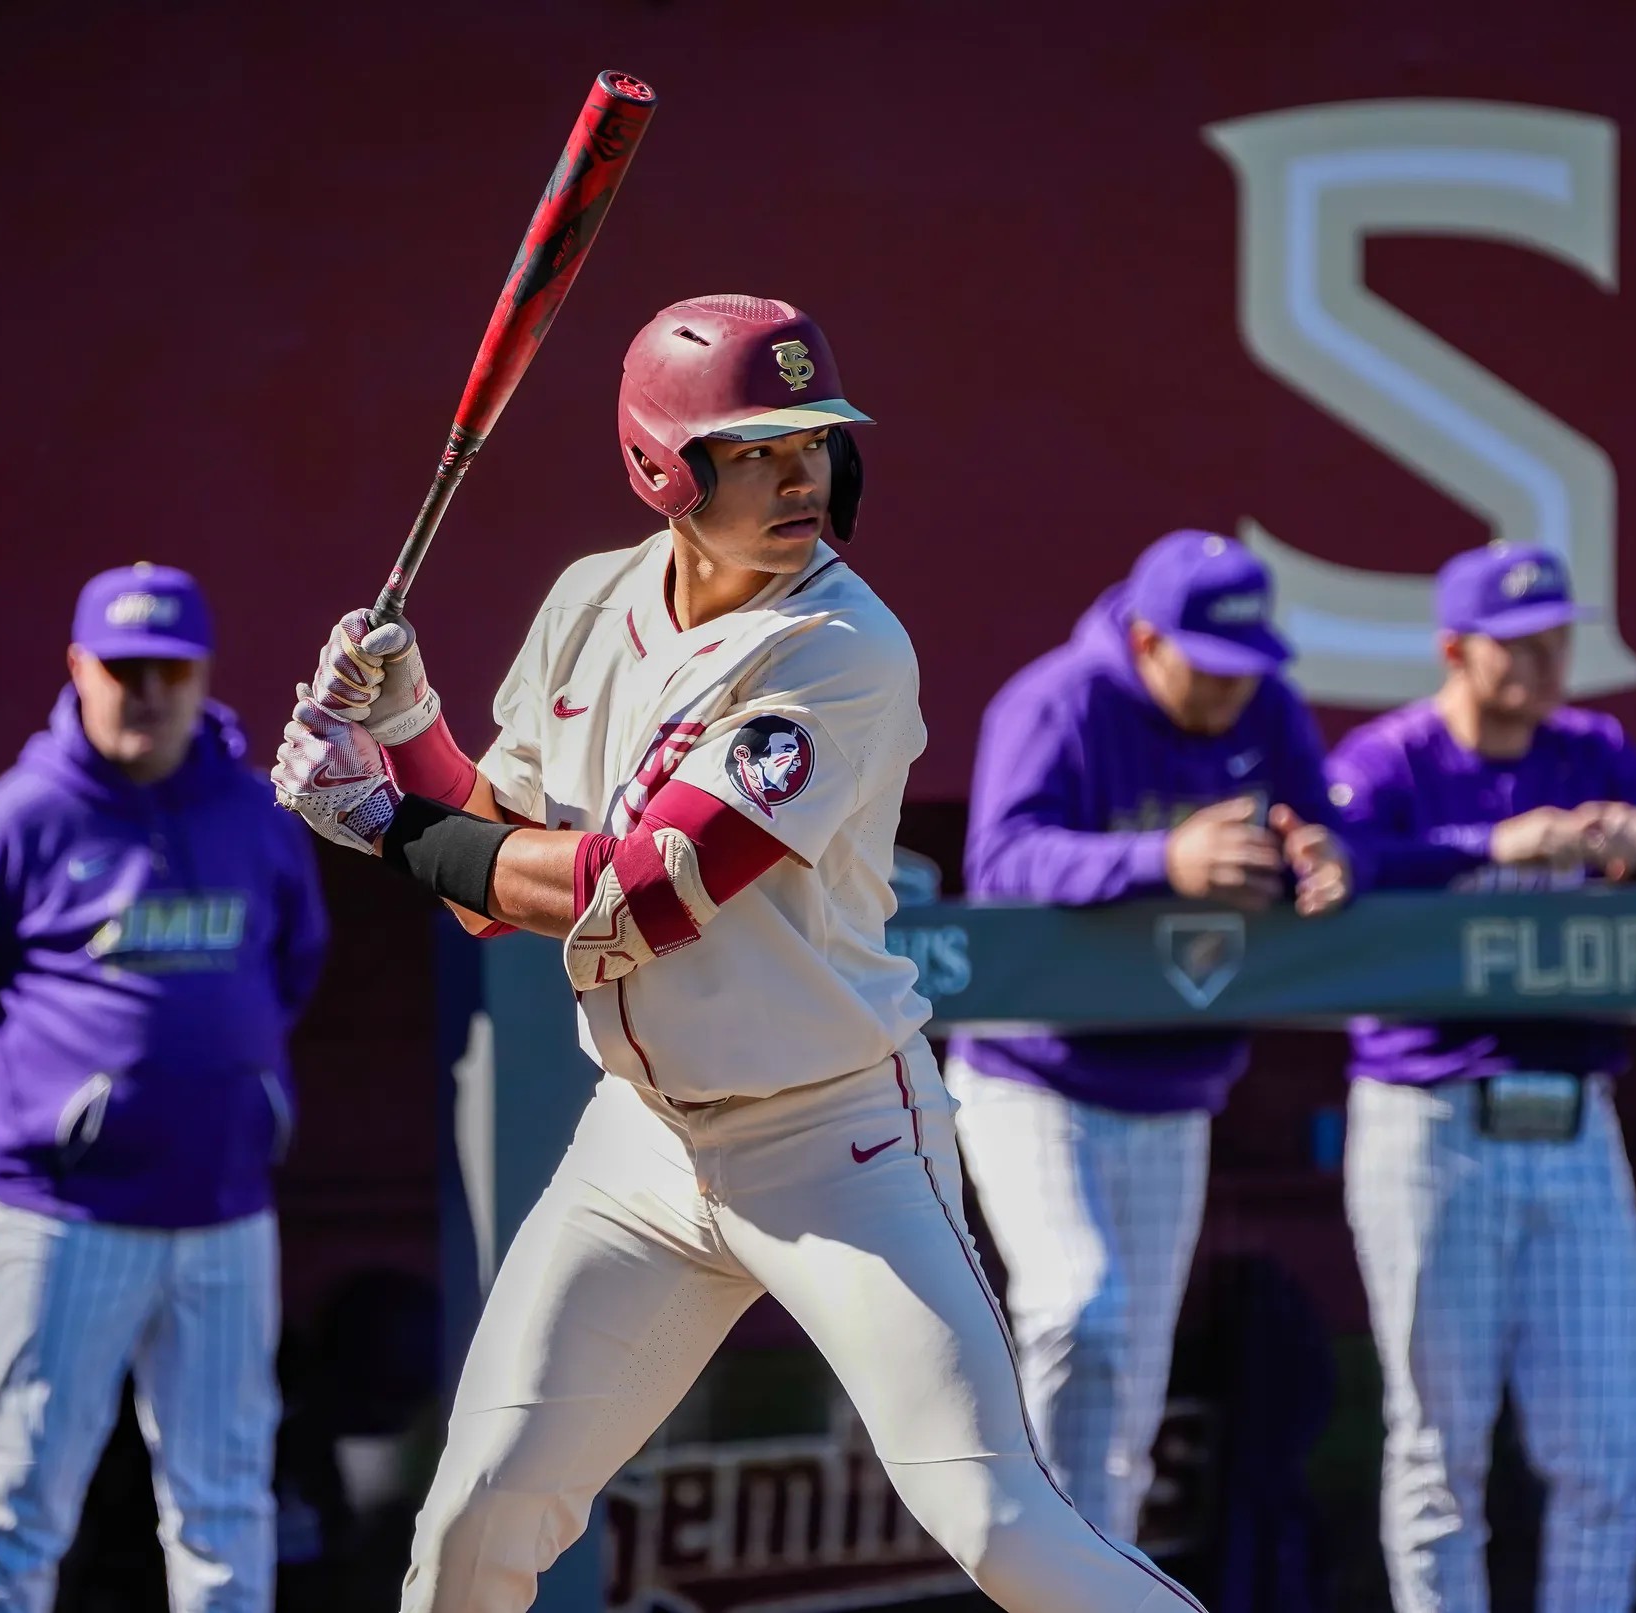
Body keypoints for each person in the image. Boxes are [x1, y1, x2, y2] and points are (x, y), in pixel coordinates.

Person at [272, 294, 1206, 1613]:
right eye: (757, 447)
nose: (800, 472)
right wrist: (412, 726)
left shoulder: (846, 648)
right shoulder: (589, 601)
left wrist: (384, 820)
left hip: (835, 1140)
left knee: (998, 1523)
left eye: (814, 440)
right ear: (664, 467)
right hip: (643, 1144)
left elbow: (647, 894)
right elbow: (498, 878)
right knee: (473, 1525)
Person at [0, 563, 328, 1613]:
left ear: (202, 674)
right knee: (18, 1499)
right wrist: (49, 1118)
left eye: (169, 669)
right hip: (65, 1217)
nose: (148, 692)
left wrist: (230, 1091)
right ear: (78, 669)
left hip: (225, 1210)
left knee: (225, 1498)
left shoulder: (253, 813)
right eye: (124, 669)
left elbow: (294, 961)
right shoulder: (6, 825)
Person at [1324, 543, 1636, 1613]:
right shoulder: (1390, 756)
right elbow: (1336, 860)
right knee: (1439, 1450)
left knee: (1607, 1450)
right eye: (1519, 640)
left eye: (1557, 633)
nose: (1548, 656)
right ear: (1454, 650)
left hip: (1571, 1121)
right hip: (1429, 1118)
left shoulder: (1589, 746)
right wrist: (1487, 846)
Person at [942, 530, 1354, 1542]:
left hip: (1174, 1086)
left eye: (1244, 668)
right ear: (1143, 637)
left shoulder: (1266, 706)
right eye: (1207, 668)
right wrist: (1159, 856)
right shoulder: (1055, 702)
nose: (1228, 692)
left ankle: (1098, 1573)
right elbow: (1001, 863)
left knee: (1131, 1378)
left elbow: (1320, 818)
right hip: (1034, 1071)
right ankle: (1041, 1562)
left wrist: (1321, 855)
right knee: (1080, 1307)